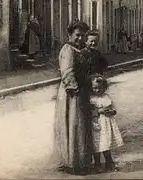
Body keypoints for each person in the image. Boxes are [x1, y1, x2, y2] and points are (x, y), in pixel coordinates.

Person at [53, 20, 92, 175]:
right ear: (70, 34)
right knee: (74, 125)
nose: (80, 38)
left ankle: (80, 161)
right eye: (77, 35)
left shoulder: (79, 49)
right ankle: (73, 163)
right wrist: (75, 91)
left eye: (83, 35)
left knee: (79, 126)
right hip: (72, 94)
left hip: (81, 91)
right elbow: (67, 72)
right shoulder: (68, 50)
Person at [90, 76, 124, 173]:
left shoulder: (107, 97)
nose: (97, 90)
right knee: (96, 145)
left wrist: (112, 112)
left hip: (106, 124)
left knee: (106, 144)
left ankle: (109, 163)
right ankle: (97, 164)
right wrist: (98, 111)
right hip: (96, 124)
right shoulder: (91, 99)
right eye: (95, 88)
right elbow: (88, 112)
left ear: (104, 88)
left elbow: (113, 109)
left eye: (100, 88)